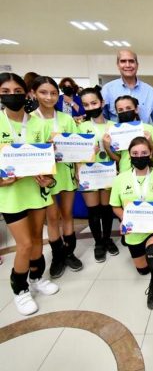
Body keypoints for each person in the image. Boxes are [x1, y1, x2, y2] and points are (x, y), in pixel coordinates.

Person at [0, 72, 58, 315]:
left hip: (35, 191)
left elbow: (49, 162)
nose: (12, 96)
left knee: (36, 240)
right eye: (5, 92)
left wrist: (48, 178)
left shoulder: (39, 125)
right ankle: (20, 289)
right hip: (11, 195)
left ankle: (36, 277)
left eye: (17, 91)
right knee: (23, 244)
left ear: (26, 93)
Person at [110, 136, 153, 309]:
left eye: (144, 152)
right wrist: (125, 219)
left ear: (150, 153)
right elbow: (115, 206)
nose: (139, 156)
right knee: (143, 270)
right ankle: (151, 254)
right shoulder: (120, 179)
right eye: (135, 153)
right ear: (129, 155)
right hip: (133, 230)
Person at [32, 76, 83, 278]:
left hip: (66, 172)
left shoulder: (66, 119)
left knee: (67, 214)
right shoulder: (30, 120)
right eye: (43, 92)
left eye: (53, 93)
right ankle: (57, 256)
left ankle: (69, 253)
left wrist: (78, 169)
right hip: (44, 175)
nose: (49, 97)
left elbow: (77, 146)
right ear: (34, 93)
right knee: (52, 217)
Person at [78, 87, 119, 263]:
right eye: (86, 105)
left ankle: (107, 239)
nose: (90, 107)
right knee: (93, 211)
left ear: (102, 103)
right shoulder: (80, 127)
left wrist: (107, 147)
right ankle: (98, 243)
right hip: (88, 173)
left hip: (108, 172)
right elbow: (74, 154)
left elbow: (119, 155)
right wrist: (87, 154)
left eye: (94, 103)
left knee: (107, 209)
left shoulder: (114, 126)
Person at [101, 50, 153, 126]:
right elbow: (102, 120)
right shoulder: (107, 89)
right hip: (116, 133)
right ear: (118, 65)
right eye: (123, 61)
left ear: (137, 65)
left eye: (131, 61)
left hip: (144, 133)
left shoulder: (149, 91)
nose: (128, 65)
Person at [110, 95, 153, 173]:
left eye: (128, 108)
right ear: (117, 112)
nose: (125, 111)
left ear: (136, 109)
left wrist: (150, 141)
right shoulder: (115, 132)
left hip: (148, 171)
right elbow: (118, 157)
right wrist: (107, 147)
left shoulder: (149, 129)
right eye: (120, 110)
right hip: (125, 172)